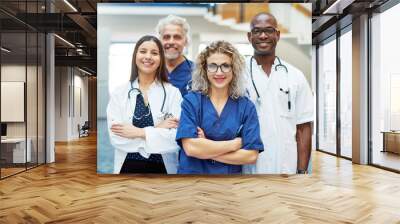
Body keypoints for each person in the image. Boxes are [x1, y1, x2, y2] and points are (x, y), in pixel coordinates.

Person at [176, 40, 264, 174]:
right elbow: (190, 148)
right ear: (204, 69)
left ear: (234, 69)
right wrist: (233, 145)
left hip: (228, 185)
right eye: (212, 66)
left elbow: (251, 156)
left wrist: (205, 147)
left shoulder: (246, 106)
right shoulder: (192, 101)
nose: (219, 72)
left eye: (225, 66)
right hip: (192, 182)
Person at [243, 12, 314, 174]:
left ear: (278, 35)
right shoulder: (237, 74)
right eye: (256, 31)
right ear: (249, 36)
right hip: (247, 165)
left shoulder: (295, 76)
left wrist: (302, 171)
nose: (262, 36)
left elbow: (303, 127)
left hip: (286, 164)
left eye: (268, 30)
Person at [107, 35, 182, 174]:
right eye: (143, 51)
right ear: (135, 56)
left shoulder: (173, 93)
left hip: (163, 167)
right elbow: (116, 137)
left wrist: (139, 132)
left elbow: (176, 138)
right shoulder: (120, 93)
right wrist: (158, 129)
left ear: (161, 60)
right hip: (127, 166)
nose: (148, 56)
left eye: (154, 53)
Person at [156, 14, 194, 96]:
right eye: (166, 37)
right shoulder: (152, 69)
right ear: (159, 41)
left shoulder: (197, 72)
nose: (171, 42)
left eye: (177, 37)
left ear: (186, 41)